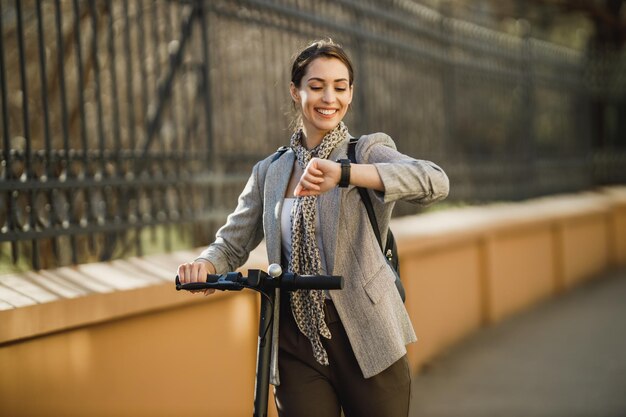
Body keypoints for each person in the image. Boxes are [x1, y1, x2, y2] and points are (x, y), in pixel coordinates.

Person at [177, 39, 449, 417]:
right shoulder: (270, 172)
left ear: (350, 94)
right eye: (317, 85)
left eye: (340, 87)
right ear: (296, 91)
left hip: (366, 334)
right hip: (294, 341)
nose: (329, 98)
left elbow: (434, 181)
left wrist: (346, 175)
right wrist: (205, 264)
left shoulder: (365, 152)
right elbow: (231, 243)